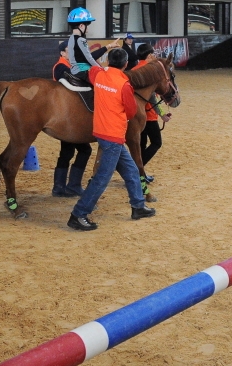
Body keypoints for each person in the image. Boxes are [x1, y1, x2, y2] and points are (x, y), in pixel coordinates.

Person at [68, 47, 156, 231]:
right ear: (125, 65)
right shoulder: (124, 85)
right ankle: (78, 214)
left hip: (101, 131)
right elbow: (132, 112)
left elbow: (91, 69)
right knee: (102, 178)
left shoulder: (99, 74)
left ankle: (138, 206)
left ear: (109, 62)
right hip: (114, 134)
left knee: (131, 170)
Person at [51, 42, 91, 197]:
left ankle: (59, 187)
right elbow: (74, 81)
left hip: (69, 114)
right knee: (84, 149)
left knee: (66, 152)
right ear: (62, 53)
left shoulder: (66, 65)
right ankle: (72, 185)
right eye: (69, 51)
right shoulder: (61, 67)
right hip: (67, 115)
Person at [135, 43, 172, 177]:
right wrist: (162, 114)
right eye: (153, 54)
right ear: (149, 55)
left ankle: (139, 173)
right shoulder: (149, 71)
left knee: (141, 145)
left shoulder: (135, 69)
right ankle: (135, 171)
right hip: (148, 114)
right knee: (156, 142)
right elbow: (152, 98)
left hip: (136, 114)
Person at [65, 7, 118, 77]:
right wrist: (101, 69)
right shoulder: (81, 40)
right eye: (87, 25)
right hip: (82, 71)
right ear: (81, 26)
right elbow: (89, 58)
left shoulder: (71, 38)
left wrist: (109, 46)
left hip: (74, 71)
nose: (88, 28)